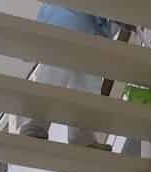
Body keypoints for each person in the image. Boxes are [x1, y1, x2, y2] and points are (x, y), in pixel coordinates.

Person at [20, 6, 113, 147]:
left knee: (86, 86)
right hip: (66, 26)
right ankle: (36, 124)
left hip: (90, 33)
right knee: (53, 77)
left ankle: (81, 135)